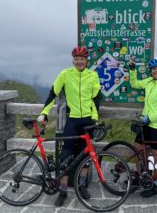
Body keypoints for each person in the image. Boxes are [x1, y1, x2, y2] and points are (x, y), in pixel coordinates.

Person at [37, 46, 101, 206]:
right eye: (77, 59)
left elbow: (97, 98)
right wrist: (44, 112)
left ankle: (81, 185)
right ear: (73, 60)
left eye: (82, 59)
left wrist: (94, 118)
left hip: (88, 121)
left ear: (86, 61)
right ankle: (63, 190)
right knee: (65, 156)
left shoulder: (93, 75)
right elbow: (53, 93)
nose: (79, 61)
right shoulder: (65, 74)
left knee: (85, 157)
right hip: (72, 121)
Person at [129, 58, 157, 197]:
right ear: (151, 70)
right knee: (137, 150)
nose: (156, 71)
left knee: (156, 155)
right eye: (154, 69)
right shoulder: (148, 82)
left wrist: (151, 118)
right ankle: (140, 177)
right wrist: (132, 70)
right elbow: (135, 84)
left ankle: (156, 184)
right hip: (146, 125)